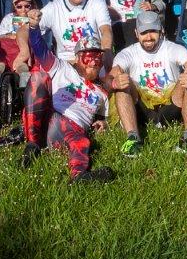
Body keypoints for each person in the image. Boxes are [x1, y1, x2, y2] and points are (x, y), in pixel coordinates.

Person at [19, 33, 115, 183]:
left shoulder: (102, 93)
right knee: (38, 76)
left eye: (98, 57)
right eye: (88, 57)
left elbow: (107, 117)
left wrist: (104, 123)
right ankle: (32, 144)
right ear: (77, 58)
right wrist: (33, 28)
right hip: (48, 117)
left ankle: (78, 176)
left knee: (82, 141)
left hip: (71, 132)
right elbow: (40, 50)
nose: (94, 62)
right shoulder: (62, 68)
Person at [110, 10, 187, 157]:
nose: (148, 37)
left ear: (161, 31)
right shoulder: (127, 53)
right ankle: (132, 138)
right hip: (141, 108)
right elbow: (107, 80)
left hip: (171, 106)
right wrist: (114, 83)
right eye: (144, 32)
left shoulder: (173, 48)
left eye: (153, 31)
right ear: (136, 33)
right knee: (123, 84)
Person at [33, 0, 113, 68]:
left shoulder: (96, 2)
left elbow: (106, 30)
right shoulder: (54, 7)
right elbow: (27, 29)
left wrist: (105, 54)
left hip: (93, 59)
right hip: (67, 63)